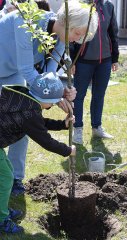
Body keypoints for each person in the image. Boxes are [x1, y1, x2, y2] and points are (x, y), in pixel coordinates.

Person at [0, 0, 98, 194]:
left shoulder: (61, 38)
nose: (77, 41)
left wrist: (60, 91)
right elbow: (27, 69)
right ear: (67, 21)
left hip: (12, 72)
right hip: (13, 67)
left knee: (22, 119)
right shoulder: (27, 22)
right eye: (77, 34)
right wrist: (55, 95)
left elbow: (50, 74)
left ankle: (15, 179)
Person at [0, 72, 76, 234]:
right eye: (54, 103)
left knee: (7, 171)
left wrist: (62, 124)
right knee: (6, 178)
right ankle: (1, 220)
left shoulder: (26, 101)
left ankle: (2, 209)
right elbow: (45, 140)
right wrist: (68, 150)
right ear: (48, 101)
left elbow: (38, 124)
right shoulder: (30, 112)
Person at [71, 0, 119, 144]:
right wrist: (71, 61)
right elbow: (70, 35)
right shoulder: (79, 5)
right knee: (78, 96)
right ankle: (77, 129)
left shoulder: (108, 6)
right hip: (83, 60)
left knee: (99, 95)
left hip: (104, 60)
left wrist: (114, 58)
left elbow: (113, 33)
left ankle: (97, 127)